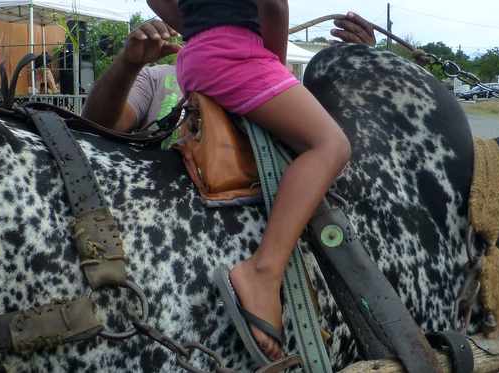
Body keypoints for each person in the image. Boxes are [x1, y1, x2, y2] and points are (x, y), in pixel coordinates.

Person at [144, 0, 356, 363]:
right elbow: (273, 5)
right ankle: (264, 271)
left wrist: (201, 28)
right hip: (237, 56)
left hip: (197, 57)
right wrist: (270, 60)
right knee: (331, 145)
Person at [82, 12, 377, 133]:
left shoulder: (288, 90)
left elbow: (351, 133)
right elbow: (97, 126)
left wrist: (360, 66)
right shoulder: (155, 78)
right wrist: (128, 64)